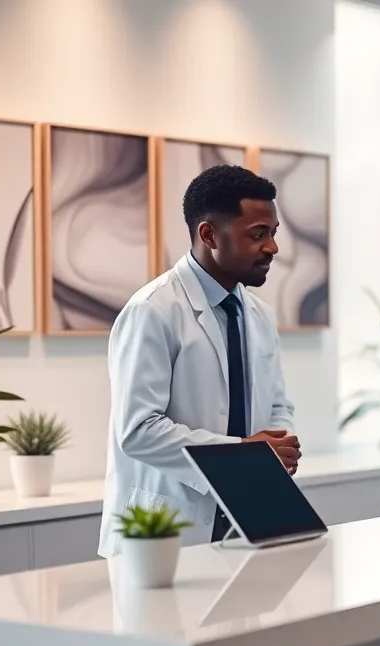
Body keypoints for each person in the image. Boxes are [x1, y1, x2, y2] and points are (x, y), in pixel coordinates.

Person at [99, 165, 302, 557]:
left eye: (273, 233)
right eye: (258, 234)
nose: (272, 248)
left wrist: (277, 447)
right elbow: (138, 430)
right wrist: (244, 456)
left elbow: (278, 403)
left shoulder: (258, 314)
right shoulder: (153, 310)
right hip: (166, 530)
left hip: (249, 518)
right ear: (209, 234)